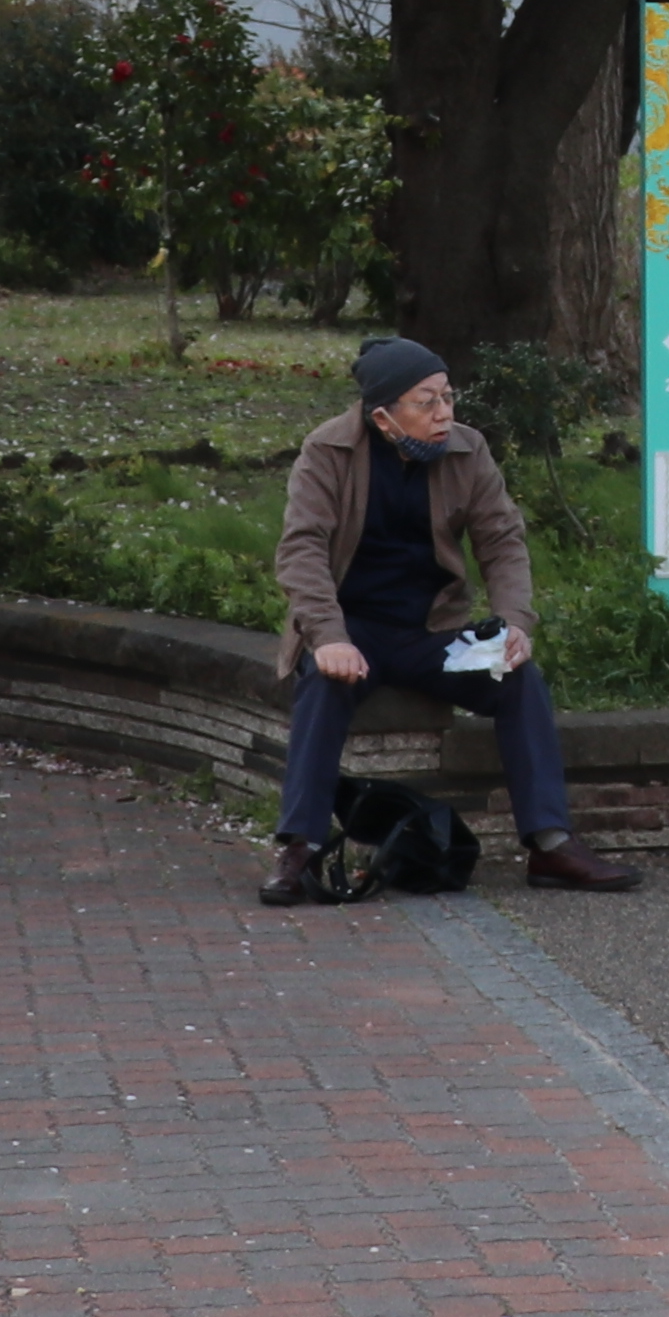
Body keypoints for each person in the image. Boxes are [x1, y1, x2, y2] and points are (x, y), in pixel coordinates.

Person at [268, 336, 643, 903]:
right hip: (353, 629)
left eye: (447, 397)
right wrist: (328, 638)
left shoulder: (468, 450)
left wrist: (514, 622)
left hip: (432, 631)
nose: (444, 413)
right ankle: (300, 847)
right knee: (322, 685)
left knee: (517, 678)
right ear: (383, 417)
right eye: (426, 402)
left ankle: (551, 843)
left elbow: (502, 540)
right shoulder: (328, 451)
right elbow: (301, 550)